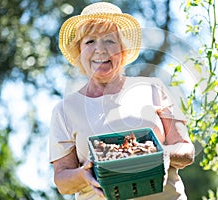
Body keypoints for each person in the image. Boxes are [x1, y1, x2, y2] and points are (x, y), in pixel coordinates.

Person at [49, 2, 195, 200]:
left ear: (123, 50)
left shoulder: (153, 88)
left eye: (109, 40)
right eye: (90, 41)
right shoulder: (65, 110)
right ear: (79, 51)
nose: (100, 50)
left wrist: (164, 155)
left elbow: (186, 149)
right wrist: (84, 174)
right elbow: (62, 181)